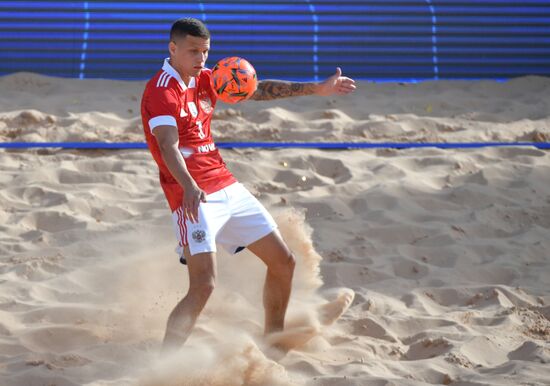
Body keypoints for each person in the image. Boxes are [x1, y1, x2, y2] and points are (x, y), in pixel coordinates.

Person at [140, 17, 356, 354]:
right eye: (193, 51)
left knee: (283, 262)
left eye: (205, 52)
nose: (201, 59)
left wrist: (318, 88)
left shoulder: (205, 78)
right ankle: (163, 365)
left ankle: (273, 342)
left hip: (227, 185)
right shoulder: (161, 91)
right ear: (173, 49)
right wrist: (190, 186)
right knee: (204, 286)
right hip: (191, 197)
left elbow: (256, 89)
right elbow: (168, 146)